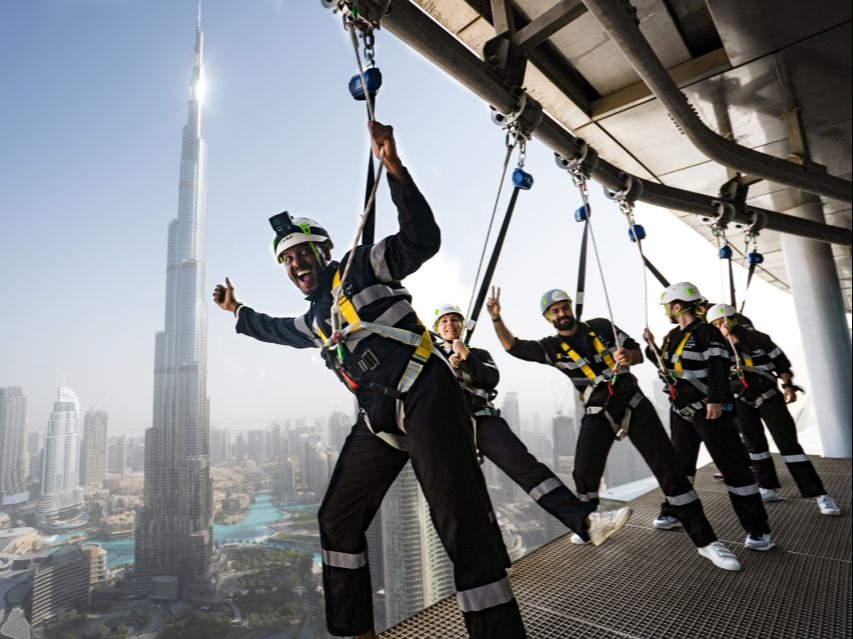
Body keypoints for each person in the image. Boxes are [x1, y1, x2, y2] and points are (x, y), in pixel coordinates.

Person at [212, 122, 526, 639]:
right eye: (286, 260)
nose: (294, 265)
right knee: (336, 518)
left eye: (300, 254)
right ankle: (355, 632)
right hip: (379, 421)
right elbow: (274, 329)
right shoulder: (314, 321)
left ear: (322, 251)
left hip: (426, 395)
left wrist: (395, 170)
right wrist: (236, 311)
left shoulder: (362, 266)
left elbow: (420, 240)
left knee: (459, 526)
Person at [486, 287, 741, 570]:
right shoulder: (551, 347)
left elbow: (638, 353)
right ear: (548, 317)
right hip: (598, 412)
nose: (562, 314)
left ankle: (707, 542)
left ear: (572, 308)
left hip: (633, 404)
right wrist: (497, 319)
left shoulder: (600, 327)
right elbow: (514, 347)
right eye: (555, 311)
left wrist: (629, 357)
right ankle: (588, 524)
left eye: (565, 307)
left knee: (669, 469)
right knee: (584, 471)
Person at [432, 303, 631, 546]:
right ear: (437, 328)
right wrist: (446, 364)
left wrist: (466, 357)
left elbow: (490, 379)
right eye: (444, 321)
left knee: (527, 468)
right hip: (448, 427)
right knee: (465, 493)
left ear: (462, 325)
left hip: (483, 420)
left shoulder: (479, 354)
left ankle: (587, 522)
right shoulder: (431, 358)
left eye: (454, 320)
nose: (450, 324)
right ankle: (495, 558)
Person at [644, 282, 776, 552]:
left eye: (668, 306)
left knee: (733, 467)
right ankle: (673, 512)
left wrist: (717, 400)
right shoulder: (671, 336)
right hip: (682, 411)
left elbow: (718, 365)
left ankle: (759, 530)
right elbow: (665, 364)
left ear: (677, 306)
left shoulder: (706, 332)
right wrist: (651, 346)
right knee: (680, 465)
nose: (667, 311)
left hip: (708, 408)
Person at [706, 303, 840, 515]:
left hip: (768, 395)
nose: (720, 325)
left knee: (788, 445)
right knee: (754, 446)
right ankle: (767, 486)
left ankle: (820, 494)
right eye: (715, 324)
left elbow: (781, 364)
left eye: (723, 321)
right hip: (740, 399)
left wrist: (787, 385)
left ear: (734, 319)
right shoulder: (718, 349)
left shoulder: (759, 339)